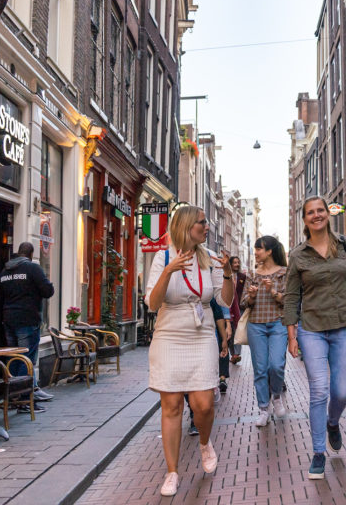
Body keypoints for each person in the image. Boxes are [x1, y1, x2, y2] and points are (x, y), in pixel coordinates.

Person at [145, 206, 234, 496]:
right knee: (171, 406)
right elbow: (152, 303)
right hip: (170, 335)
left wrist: (229, 275)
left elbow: (223, 299)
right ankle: (172, 472)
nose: (206, 227)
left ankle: (205, 442)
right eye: (202, 222)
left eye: (206, 222)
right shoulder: (163, 256)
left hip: (202, 334)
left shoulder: (207, 258)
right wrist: (169, 271)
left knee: (204, 404)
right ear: (186, 226)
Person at [284, 196, 346, 481]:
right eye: (311, 213)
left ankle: (333, 422)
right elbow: (292, 296)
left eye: (320, 210)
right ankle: (318, 452)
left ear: (327, 214)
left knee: (341, 391)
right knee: (319, 390)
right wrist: (291, 335)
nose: (316, 215)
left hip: (344, 326)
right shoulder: (298, 255)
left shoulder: (345, 245)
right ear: (304, 219)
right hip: (312, 329)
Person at [0, 242, 56, 408]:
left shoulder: (4, 271)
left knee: (13, 358)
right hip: (27, 319)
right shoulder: (32, 268)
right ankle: (24, 398)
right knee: (26, 358)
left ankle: (13, 396)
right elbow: (48, 291)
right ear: (30, 254)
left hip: (9, 319)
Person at [241, 235, 289, 426]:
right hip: (256, 325)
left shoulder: (285, 272)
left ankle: (276, 396)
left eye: (259, 249)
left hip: (278, 323)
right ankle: (263, 408)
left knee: (276, 366)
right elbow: (245, 302)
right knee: (260, 369)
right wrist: (251, 296)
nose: (256, 253)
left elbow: (289, 300)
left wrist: (273, 292)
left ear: (269, 251)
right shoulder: (253, 274)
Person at [188, 297, 229, 436]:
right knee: (188, 380)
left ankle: (198, 414)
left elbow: (218, 313)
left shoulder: (206, 290)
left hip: (205, 340)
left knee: (200, 382)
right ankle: (193, 415)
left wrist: (224, 339)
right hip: (182, 342)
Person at [228, 256, 248, 365]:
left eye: (238, 262)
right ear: (230, 264)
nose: (237, 264)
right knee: (230, 329)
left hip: (239, 307)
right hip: (228, 306)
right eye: (234, 263)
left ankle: (237, 354)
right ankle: (233, 353)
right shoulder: (226, 276)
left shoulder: (242, 277)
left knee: (238, 329)